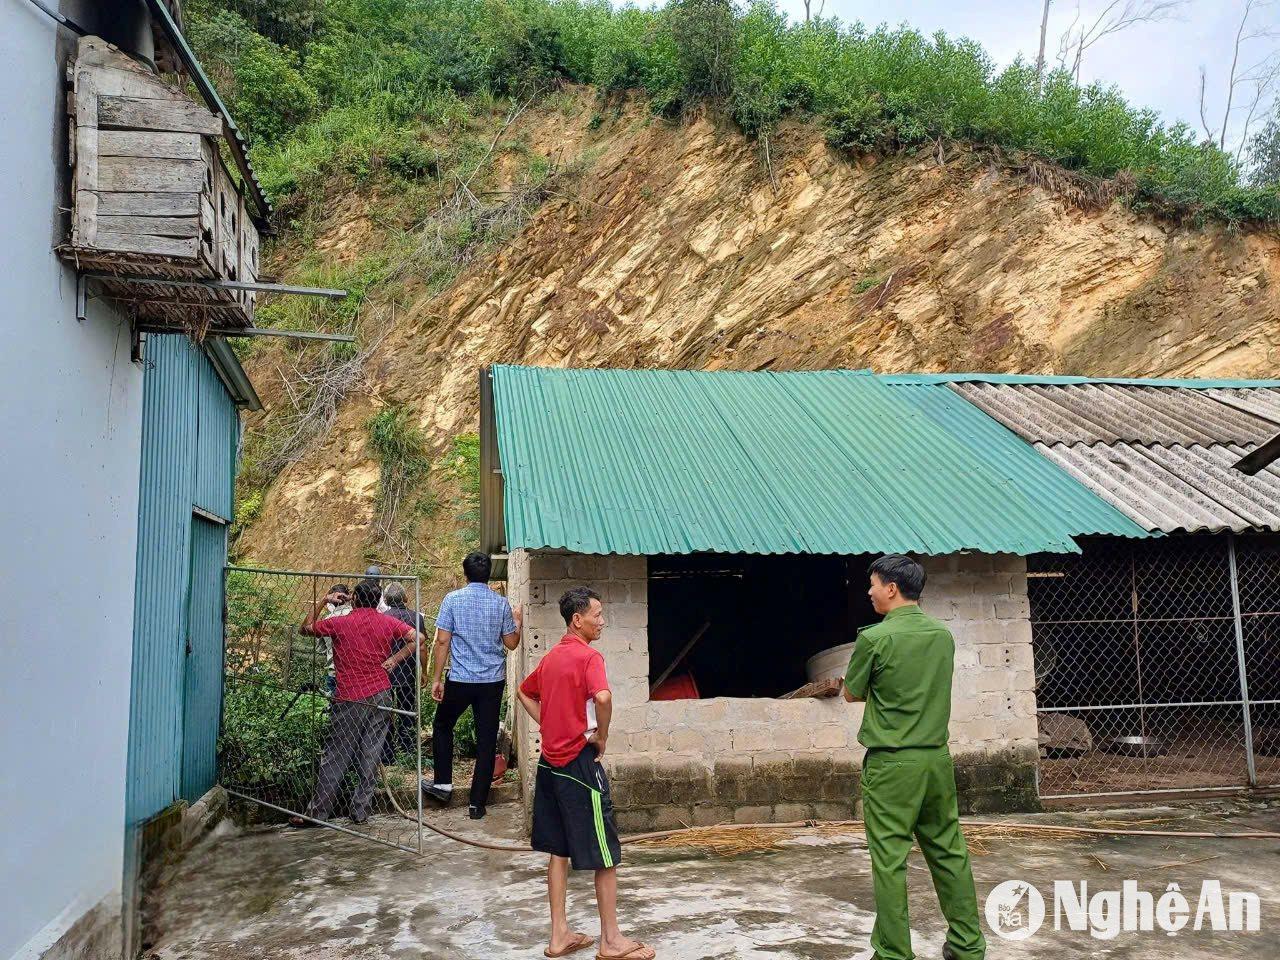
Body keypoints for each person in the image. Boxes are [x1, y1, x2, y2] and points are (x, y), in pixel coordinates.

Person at [843, 555, 986, 960]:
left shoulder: (875, 638)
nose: (869, 591)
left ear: (891, 588)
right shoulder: (942, 636)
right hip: (937, 760)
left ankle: (892, 953)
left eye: (873, 584)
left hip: (892, 764)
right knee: (948, 850)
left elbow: (852, 692)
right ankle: (968, 946)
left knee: (889, 860)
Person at [517, 587, 653, 960]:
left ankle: (559, 935)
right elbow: (604, 698)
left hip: (549, 766)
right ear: (578, 620)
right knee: (605, 853)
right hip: (579, 763)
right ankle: (611, 941)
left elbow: (523, 693)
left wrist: (547, 725)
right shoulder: (588, 657)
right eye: (597, 614)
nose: (602, 621)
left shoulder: (551, 658)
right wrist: (602, 736)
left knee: (558, 852)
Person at [291, 580, 422, 827]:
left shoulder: (340, 623)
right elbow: (418, 637)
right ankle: (360, 811)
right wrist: (394, 659)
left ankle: (318, 813)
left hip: (350, 695)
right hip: (381, 693)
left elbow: (305, 628)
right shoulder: (388, 621)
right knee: (371, 754)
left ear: (354, 599)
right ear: (377, 601)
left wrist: (323, 601)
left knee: (336, 755)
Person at [423, 551, 522, 819]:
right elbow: (512, 644)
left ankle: (443, 784)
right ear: (488, 575)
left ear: (465, 574)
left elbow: (442, 641)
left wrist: (436, 678)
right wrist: (518, 623)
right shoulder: (501, 604)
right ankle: (477, 804)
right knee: (487, 739)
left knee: (443, 725)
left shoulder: (452, 600)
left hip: (460, 679)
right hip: (492, 682)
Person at [380, 581, 426, 764]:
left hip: (386, 674)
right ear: (406, 598)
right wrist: (423, 671)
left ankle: (387, 755)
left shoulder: (382, 617)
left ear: (386, 599)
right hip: (408, 672)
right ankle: (408, 751)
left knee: (386, 713)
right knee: (407, 711)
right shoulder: (416, 618)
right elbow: (422, 647)